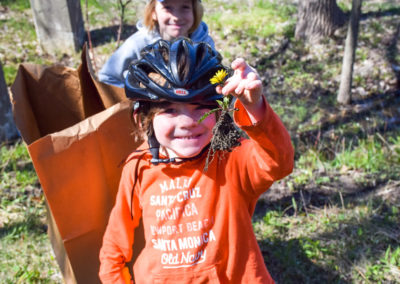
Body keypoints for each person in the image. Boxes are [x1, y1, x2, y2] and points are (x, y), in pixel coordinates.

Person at [99, 38, 294, 284]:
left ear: (219, 113)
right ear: (143, 120)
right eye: (169, 110)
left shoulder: (232, 159)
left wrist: (254, 107)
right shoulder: (138, 166)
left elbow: (279, 161)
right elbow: (114, 246)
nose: (188, 122)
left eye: (200, 107)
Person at [98, 0, 214, 88]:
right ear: (153, 12)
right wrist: (133, 95)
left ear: (195, 11)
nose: (176, 17)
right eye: (167, 8)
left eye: (185, 7)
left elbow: (213, 78)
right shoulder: (138, 43)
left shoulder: (204, 44)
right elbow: (106, 78)